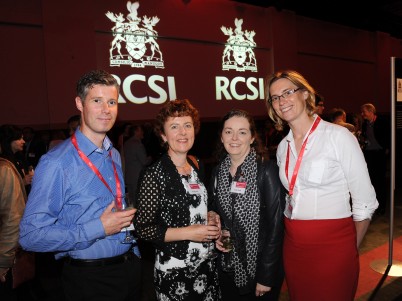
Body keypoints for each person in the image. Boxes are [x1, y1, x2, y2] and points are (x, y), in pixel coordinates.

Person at [19, 70, 141, 301]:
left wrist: (133, 252)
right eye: (97, 101)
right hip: (90, 279)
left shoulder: (113, 153)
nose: (106, 110)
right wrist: (99, 227)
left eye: (112, 102)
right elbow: (30, 236)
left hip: (129, 268)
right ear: (79, 103)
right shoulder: (57, 162)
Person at [265, 70, 378, 301]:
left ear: (305, 94)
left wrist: (348, 250)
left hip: (334, 246)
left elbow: (365, 202)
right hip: (294, 244)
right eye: (275, 97)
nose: (281, 101)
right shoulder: (283, 147)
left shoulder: (338, 137)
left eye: (287, 92)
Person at [134, 99, 221, 300]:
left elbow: (198, 205)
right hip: (175, 269)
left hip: (206, 263)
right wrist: (188, 233)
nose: (183, 132)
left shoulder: (196, 163)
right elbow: (143, 228)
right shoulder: (153, 174)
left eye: (187, 125)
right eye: (174, 126)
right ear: (163, 135)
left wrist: (210, 214)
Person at [209, 109, 285, 300]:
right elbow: (218, 213)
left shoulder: (267, 171)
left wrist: (266, 276)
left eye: (242, 132)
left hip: (260, 266)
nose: (234, 138)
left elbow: (277, 227)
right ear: (221, 136)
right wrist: (219, 233)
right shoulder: (218, 172)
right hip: (229, 265)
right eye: (228, 131)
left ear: (252, 138)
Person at [0, 138, 28, 299]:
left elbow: (13, 219)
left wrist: (3, 262)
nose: (22, 141)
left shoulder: (4, 169)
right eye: (18, 137)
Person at [360, 103, 390, 216]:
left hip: (380, 154)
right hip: (369, 155)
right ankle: (373, 205)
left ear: (371, 111)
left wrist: (387, 149)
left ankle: (382, 206)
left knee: (381, 181)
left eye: (364, 112)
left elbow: (388, 136)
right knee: (371, 181)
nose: (363, 115)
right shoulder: (365, 124)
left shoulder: (383, 122)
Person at [123, 124, 152, 207]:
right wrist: (150, 158)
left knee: (132, 201)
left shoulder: (126, 143)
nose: (142, 132)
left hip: (129, 176)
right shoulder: (138, 144)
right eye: (140, 130)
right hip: (137, 177)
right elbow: (144, 161)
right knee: (140, 201)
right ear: (136, 132)